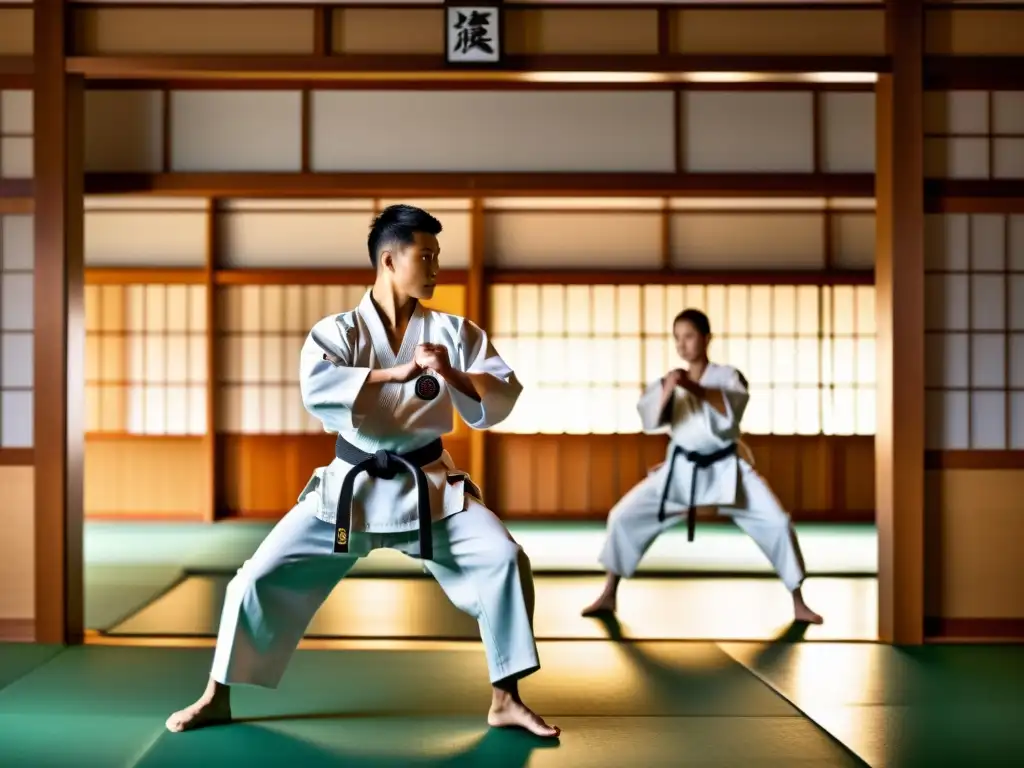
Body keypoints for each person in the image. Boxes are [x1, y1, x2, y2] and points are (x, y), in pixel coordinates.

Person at [166, 204, 559, 738]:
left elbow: (500, 393)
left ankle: (505, 697)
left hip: (431, 488)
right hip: (350, 490)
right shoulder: (337, 331)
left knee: (504, 558)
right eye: (427, 255)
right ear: (390, 259)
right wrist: (398, 371)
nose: (437, 267)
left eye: (439, 256)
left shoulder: (452, 331)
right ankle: (217, 694)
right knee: (256, 577)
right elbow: (317, 390)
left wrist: (449, 371)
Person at [581, 308, 823, 626]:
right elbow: (653, 419)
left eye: (689, 336)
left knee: (776, 522)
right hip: (680, 470)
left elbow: (731, 408)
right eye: (677, 338)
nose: (682, 344)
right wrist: (671, 387)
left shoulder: (727, 377)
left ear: (707, 338)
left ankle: (798, 601)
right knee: (623, 516)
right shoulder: (669, 379)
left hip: (726, 468)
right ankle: (610, 592)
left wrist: (691, 387)